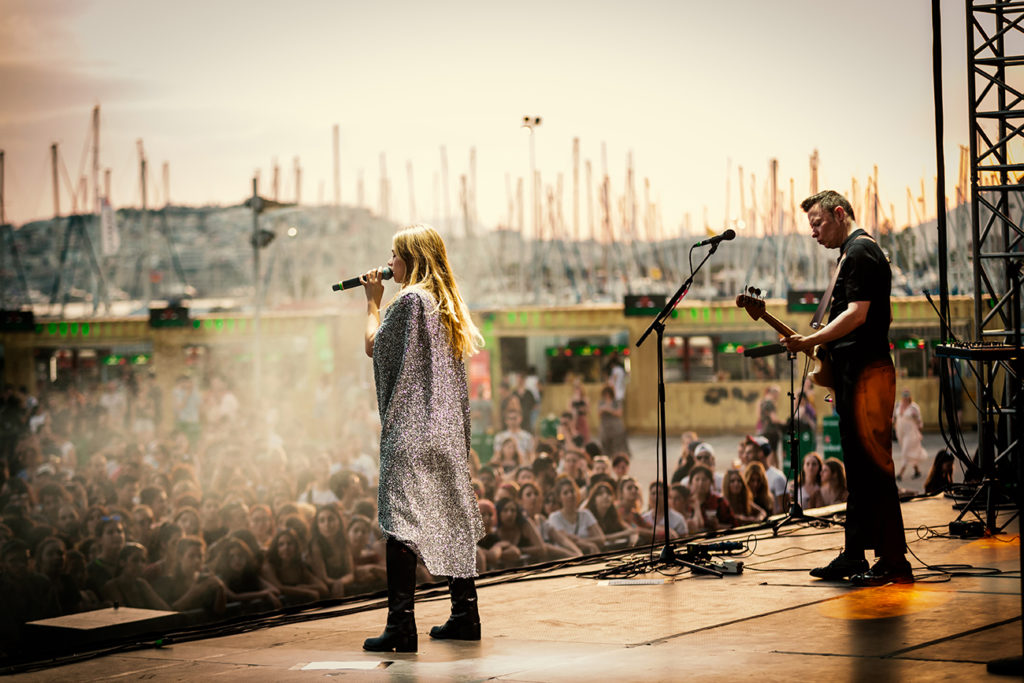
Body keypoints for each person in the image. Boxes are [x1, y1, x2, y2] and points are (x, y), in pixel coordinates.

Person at [360, 224, 485, 652]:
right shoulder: (446, 305)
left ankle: (401, 626)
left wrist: (373, 304)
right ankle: (465, 614)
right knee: (452, 515)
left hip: (411, 432)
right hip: (446, 431)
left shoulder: (408, 301)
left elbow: (376, 347)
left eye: (394, 255)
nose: (389, 262)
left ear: (410, 259)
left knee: (401, 523)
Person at [783, 190, 911, 586]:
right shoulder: (850, 254)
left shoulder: (860, 253)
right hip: (856, 374)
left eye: (818, 224)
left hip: (869, 374)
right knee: (858, 469)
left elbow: (858, 315)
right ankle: (855, 554)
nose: (814, 234)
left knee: (874, 466)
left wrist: (807, 343)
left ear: (840, 214)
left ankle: (893, 561)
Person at [893, 389, 927, 481]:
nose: (905, 398)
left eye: (906, 396)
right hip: (901, 434)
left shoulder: (914, 407)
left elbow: (919, 421)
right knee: (909, 452)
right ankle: (917, 470)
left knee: (905, 452)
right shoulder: (898, 405)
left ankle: (900, 473)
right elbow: (895, 418)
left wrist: (919, 431)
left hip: (911, 433)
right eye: (904, 396)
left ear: (909, 397)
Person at [598, 386, 630, 457]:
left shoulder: (616, 402)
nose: (606, 396)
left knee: (617, 444)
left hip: (615, 426)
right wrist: (603, 409)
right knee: (605, 443)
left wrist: (609, 409)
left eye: (608, 394)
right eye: (605, 394)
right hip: (605, 426)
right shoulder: (601, 402)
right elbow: (599, 414)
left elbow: (619, 413)